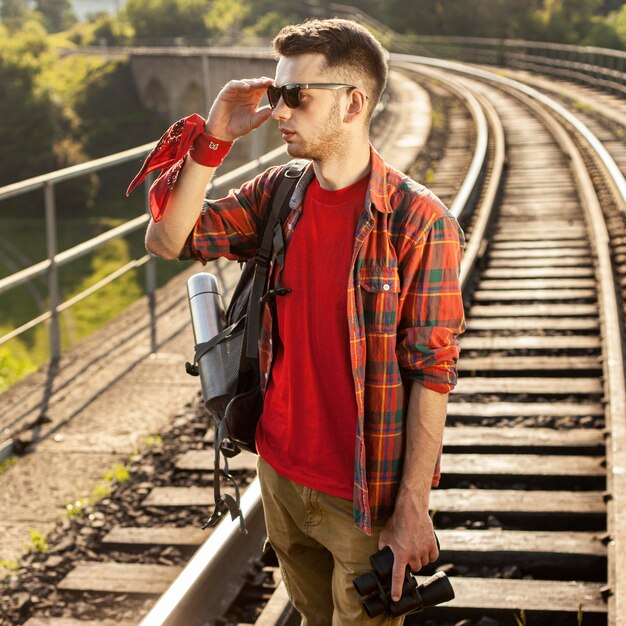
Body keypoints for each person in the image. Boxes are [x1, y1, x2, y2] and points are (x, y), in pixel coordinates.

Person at [140, 18, 465, 626]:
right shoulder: (279, 193)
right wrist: (212, 138)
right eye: (276, 94)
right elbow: (167, 239)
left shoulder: (419, 221)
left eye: (297, 95)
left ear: (353, 102)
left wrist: (413, 506)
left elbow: (432, 372)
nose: (280, 111)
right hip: (280, 477)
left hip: (363, 497)